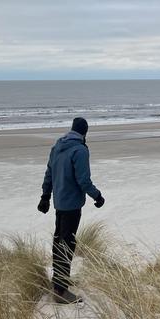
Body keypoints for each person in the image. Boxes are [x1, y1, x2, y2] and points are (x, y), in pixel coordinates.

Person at [37, 117, 105, 303]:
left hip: (59, 204)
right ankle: (60, 291)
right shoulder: (79, 150)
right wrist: (97, 196)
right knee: (66, 246)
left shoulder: (58, 147)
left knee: (59, 243)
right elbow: (83, 181)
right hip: (72, 206)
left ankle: (59, 281)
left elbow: (49, 174)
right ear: (84, 132)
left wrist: (45, 197)